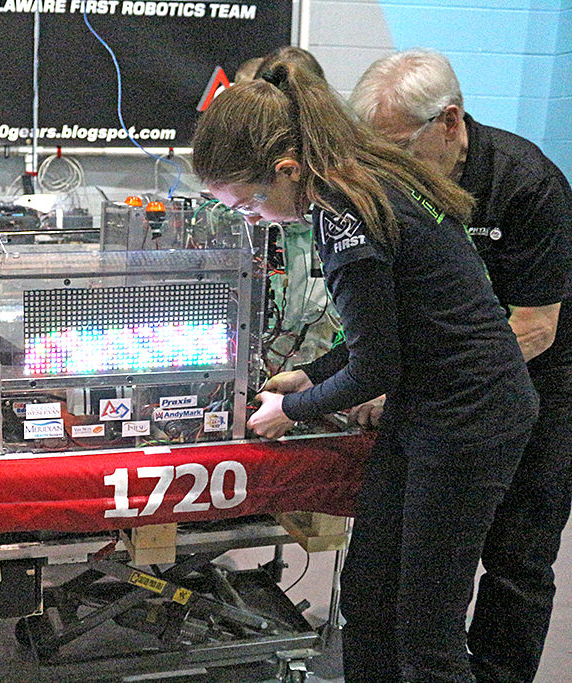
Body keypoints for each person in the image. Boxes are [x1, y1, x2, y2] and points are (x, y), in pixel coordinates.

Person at [192, 62, 538, 682]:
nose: (255, 219)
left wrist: (288, 411)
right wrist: (309, 374)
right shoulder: (359, 178)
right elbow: (389, 328)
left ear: (287, 170)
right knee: (370, 597)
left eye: (249, 204)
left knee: (425, 629)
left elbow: (376, 364)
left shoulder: (343, 213)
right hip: (427, 403)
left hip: (470, 416)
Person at [351, 48, 572, 682]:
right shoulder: (404, 184)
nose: (387, 166)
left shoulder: (528, 183)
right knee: (406, 563)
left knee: (518, 557)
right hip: (448, 387)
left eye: (398, 148)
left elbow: (534, 327)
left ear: (450, 121)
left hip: (538, 376)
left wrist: (406, 379)